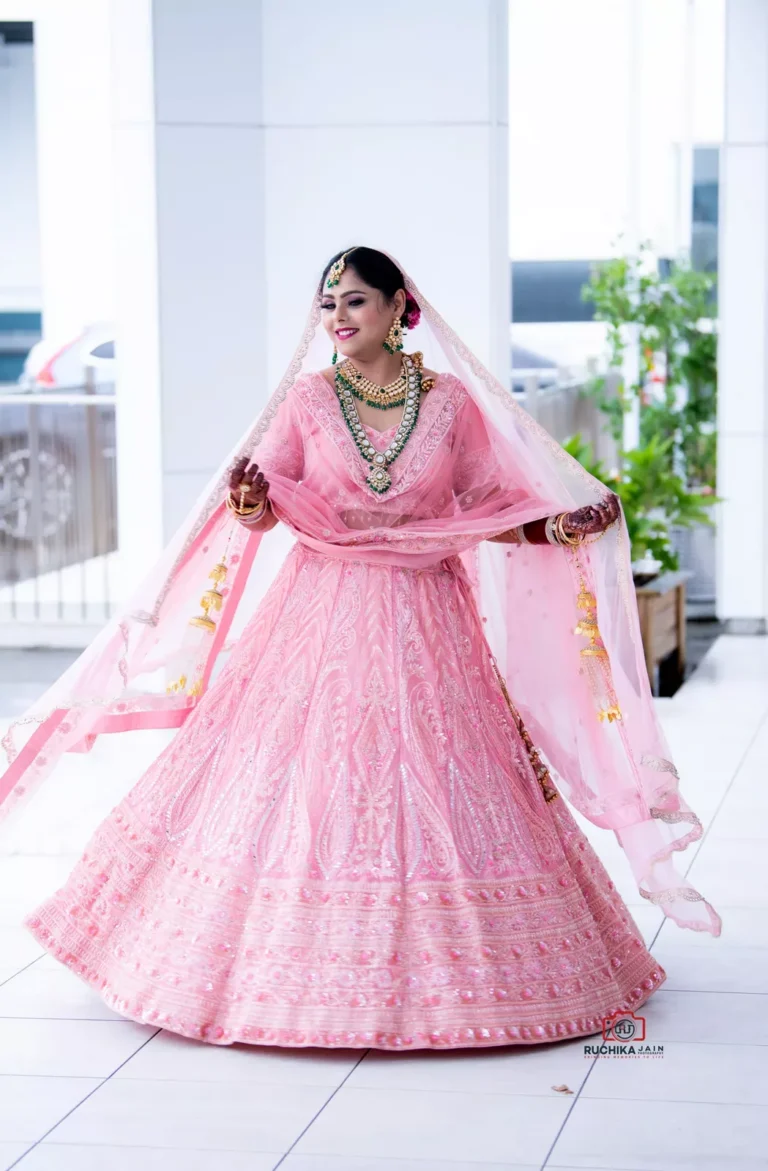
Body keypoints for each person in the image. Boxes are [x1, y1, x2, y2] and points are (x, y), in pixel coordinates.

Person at [6, 247, 720, 1052]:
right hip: (323, 616)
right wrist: (248, 498)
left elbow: (489, 505)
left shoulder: (449, 404)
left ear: (396, 307)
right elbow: (262, 503)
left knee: (441, 777)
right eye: (327, 305)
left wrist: (556, 525)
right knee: (300, 774)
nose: (336, 318)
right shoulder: (308, 402)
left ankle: (479, 981)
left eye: (352, 301)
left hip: (430, 619)